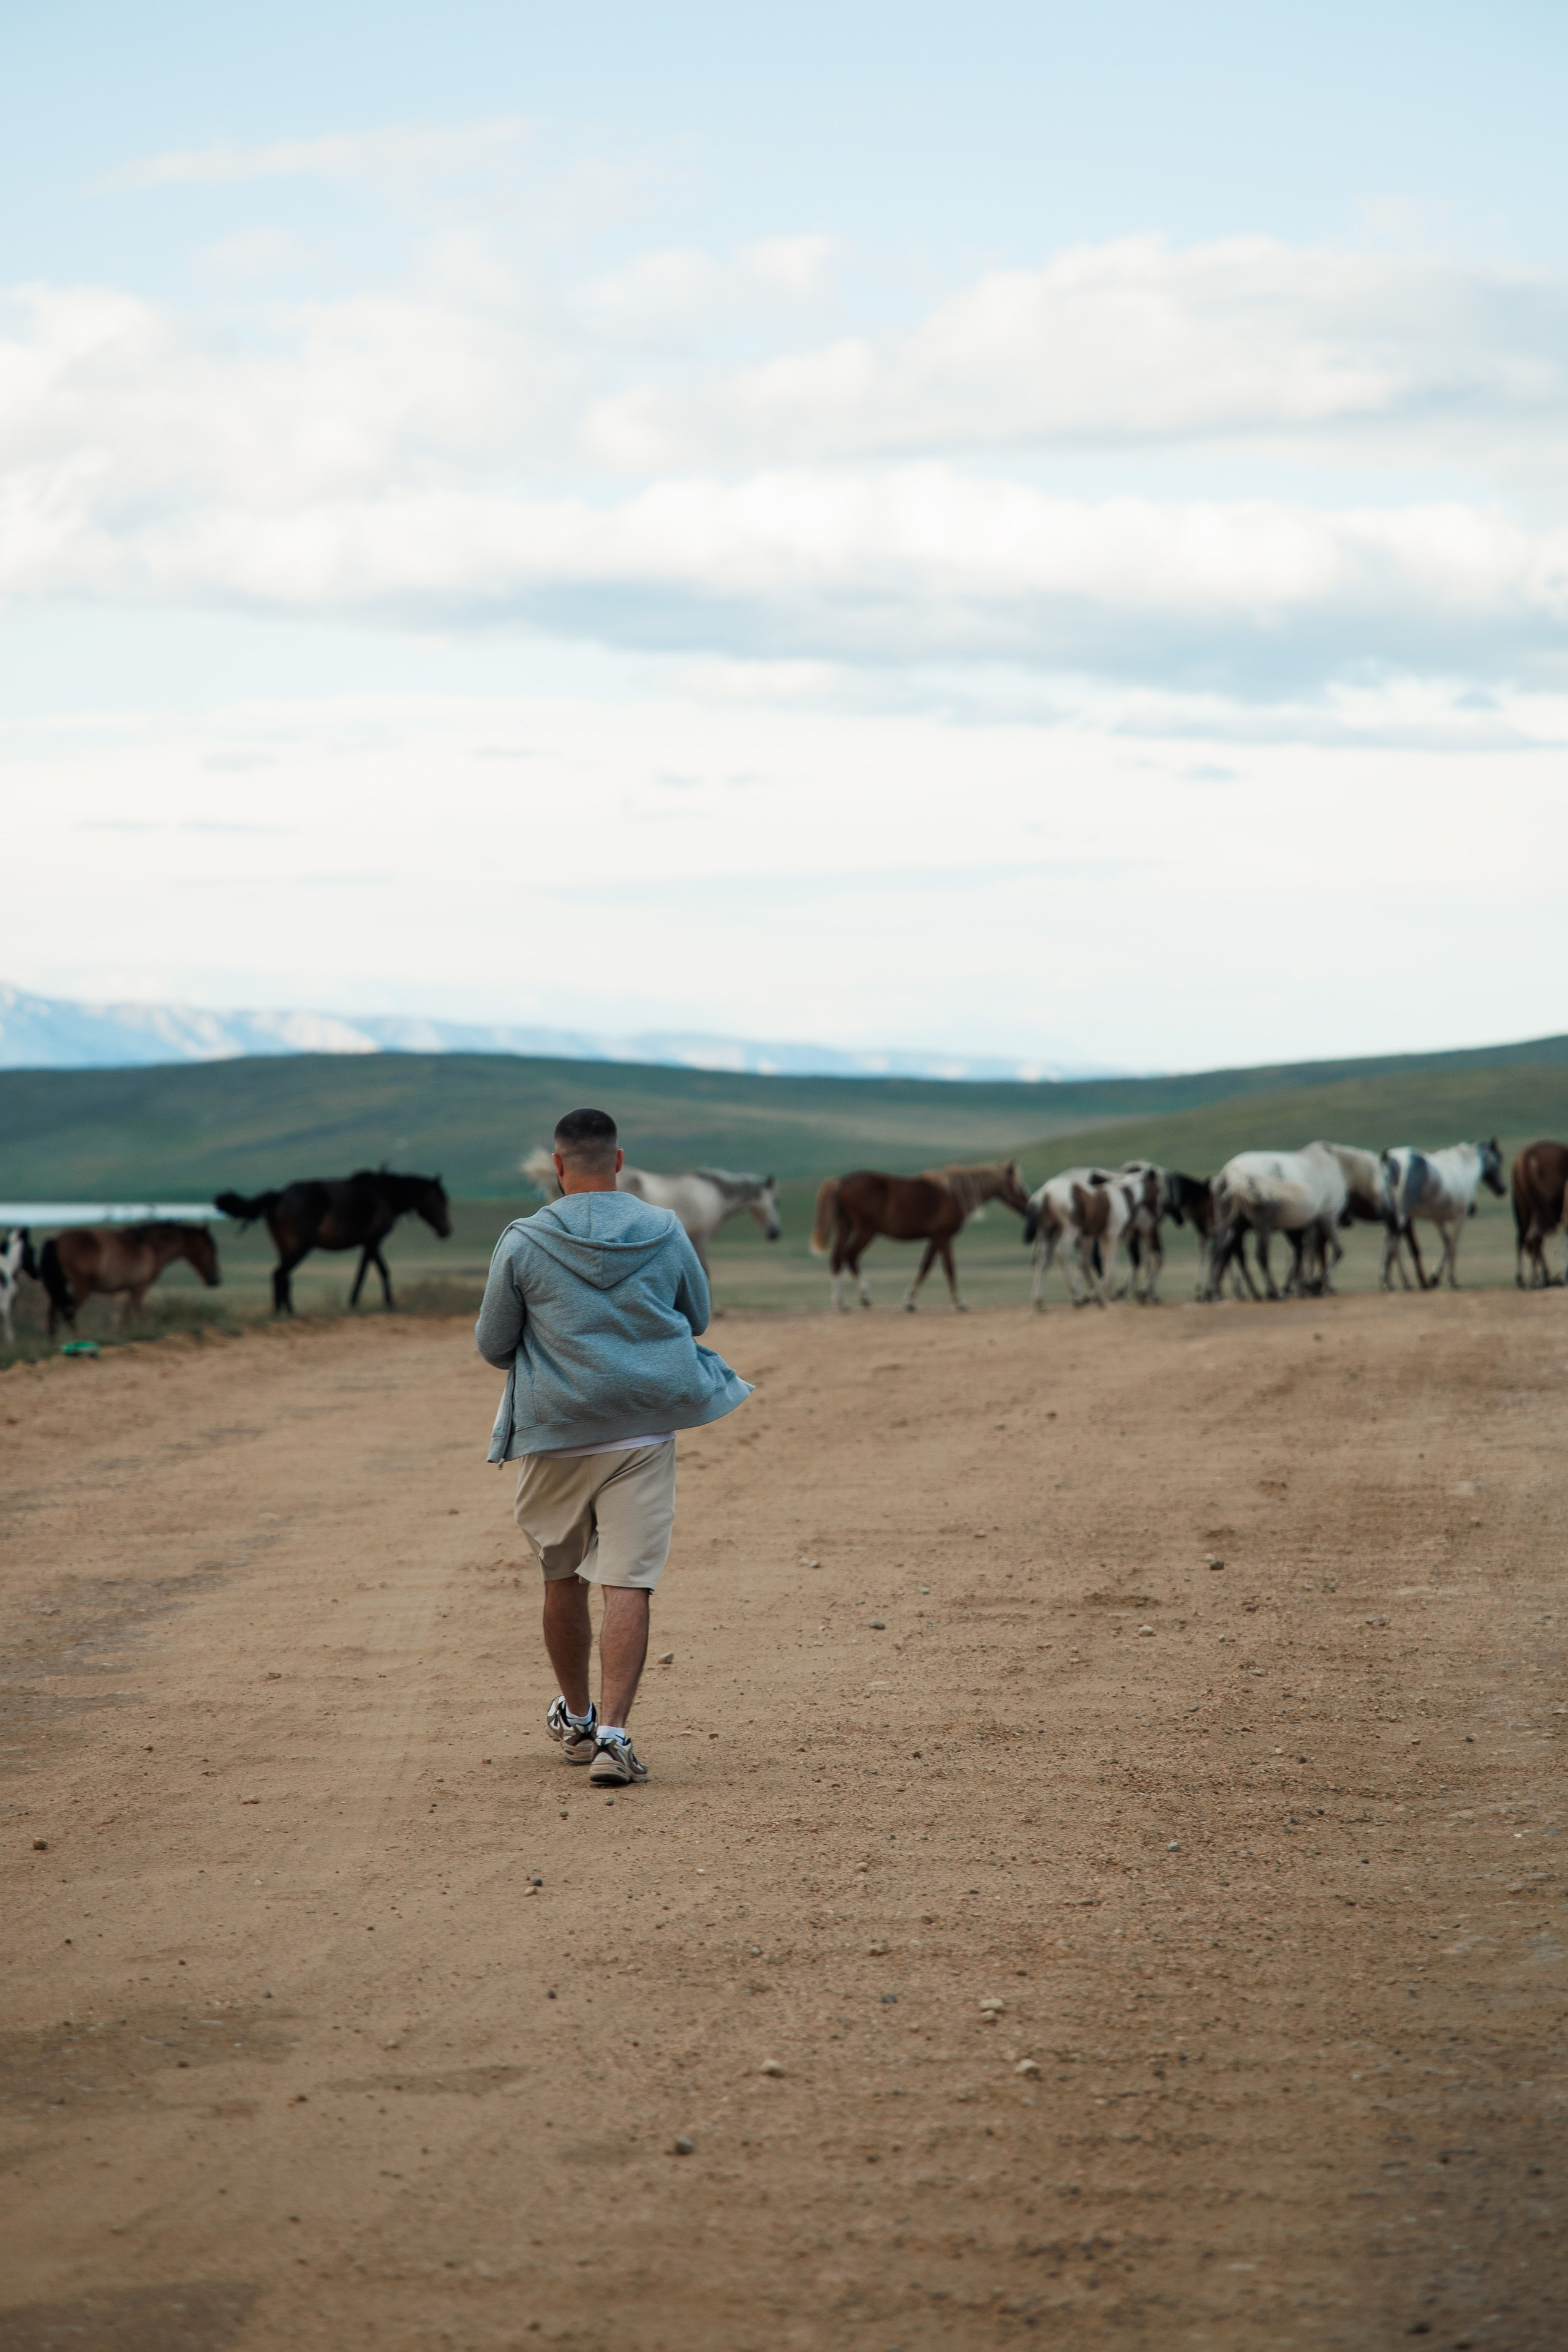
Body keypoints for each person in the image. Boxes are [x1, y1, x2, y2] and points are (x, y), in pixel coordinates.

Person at [475, 1107, 751, 1785]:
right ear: (619, 1161)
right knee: (628, 1581)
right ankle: (615, 1738)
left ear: (557, 1164)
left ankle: (576, 1718)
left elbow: (494, 1344)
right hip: (642, 1430)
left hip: (557, 1433)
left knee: (561, 1575)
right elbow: (697, 1316)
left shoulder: (523, 1239)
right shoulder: (665, 1228)